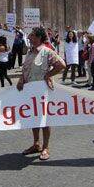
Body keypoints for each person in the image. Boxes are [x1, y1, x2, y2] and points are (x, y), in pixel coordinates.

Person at [17, 27, 66, 161]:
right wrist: (21, 80)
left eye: (31, 35)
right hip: (29, 91)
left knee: (44, 120)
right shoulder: (30, 52)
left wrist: (48, 75)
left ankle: (46, 147)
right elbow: (25, 69)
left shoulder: (47, 52)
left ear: (38, 37)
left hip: (42, 92)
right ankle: (36, 144)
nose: (29, 37)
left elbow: (61, 65)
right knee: (33, 118)